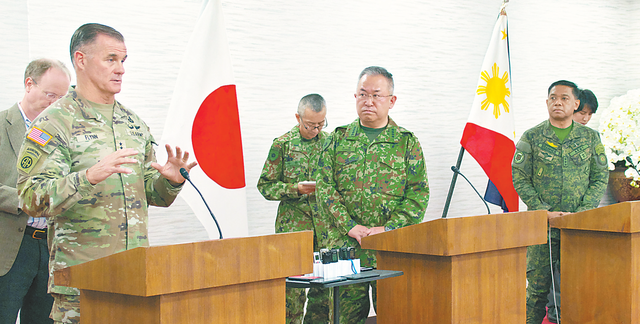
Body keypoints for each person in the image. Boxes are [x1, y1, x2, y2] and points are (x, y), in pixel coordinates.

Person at [16, 23, 197, 324]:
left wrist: (169, 181)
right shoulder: (54, 122)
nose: (120, 69)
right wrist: (86, 177)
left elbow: (152, 194)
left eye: (123, 60)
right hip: (83, 283)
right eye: (110, 59)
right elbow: (30, 197)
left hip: (135, 279)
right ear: (81, 60)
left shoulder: (133, 123)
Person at [316, 66, 430, 323]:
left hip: (390, 249)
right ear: (355, 97)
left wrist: (388, 228)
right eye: (362, 94)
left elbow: (418, 194)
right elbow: (324, 188)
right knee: (344, 318)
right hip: (346, 249)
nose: (368, 101)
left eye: (376, 95)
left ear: (392, 101)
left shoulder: (406, 142)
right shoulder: (337, 139)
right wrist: (350, 226)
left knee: (395, 315)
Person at [512, 80, 608, 324]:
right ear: (547, 102)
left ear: (576, 104)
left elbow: (599, 178)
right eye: (553, 97)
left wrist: (581, 214)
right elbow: (520, 177)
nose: (558, 102)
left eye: (565, 98)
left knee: (574, 292)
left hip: (577, 228)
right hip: (540, 229)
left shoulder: (590, 138)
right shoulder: (532, 137)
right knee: (535, 294)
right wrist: (542, 211)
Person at [0, 59, 71, 324]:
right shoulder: (1, 125)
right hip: (10, 247)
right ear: (29, 84)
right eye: (50, 95)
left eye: (62, 98)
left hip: (52, 247)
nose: (55, 104)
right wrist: (29, 199)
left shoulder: (64, 136)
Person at [257, 94, 331, 323]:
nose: (316, 130)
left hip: (325, 228)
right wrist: (295, 189)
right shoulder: (282, 144)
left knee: (324, 289)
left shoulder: (330, 143)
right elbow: (265, 186)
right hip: (293, 228)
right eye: (310, 125)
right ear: (298, 117)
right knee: (292, 292)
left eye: (321, 124)